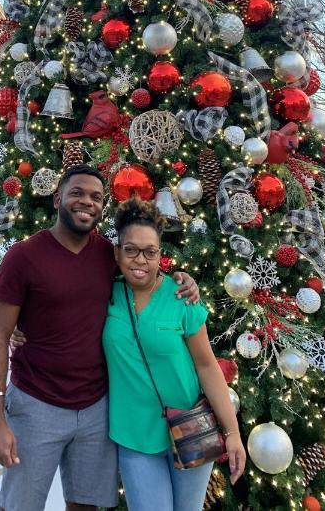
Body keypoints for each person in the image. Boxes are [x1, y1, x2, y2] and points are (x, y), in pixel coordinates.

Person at [0, 164, 200, 511]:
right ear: (58, 199)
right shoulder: (23, 257)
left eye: (96, 197)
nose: (87, 202)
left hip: (97, 410)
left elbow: (143, 269)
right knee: (20, 505)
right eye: (77, 193)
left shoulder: (105, 255)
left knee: (85, 505)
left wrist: (183, 279)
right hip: (37, 405)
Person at [103, 198, 246, 511]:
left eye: (149, 251)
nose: (140, 260)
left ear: (159, 255)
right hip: (134, 435)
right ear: (117, 252)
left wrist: (233, 433)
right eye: (131, 250)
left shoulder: (182, 297)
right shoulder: (104, 294)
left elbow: (208, 366)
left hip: (190, 429)